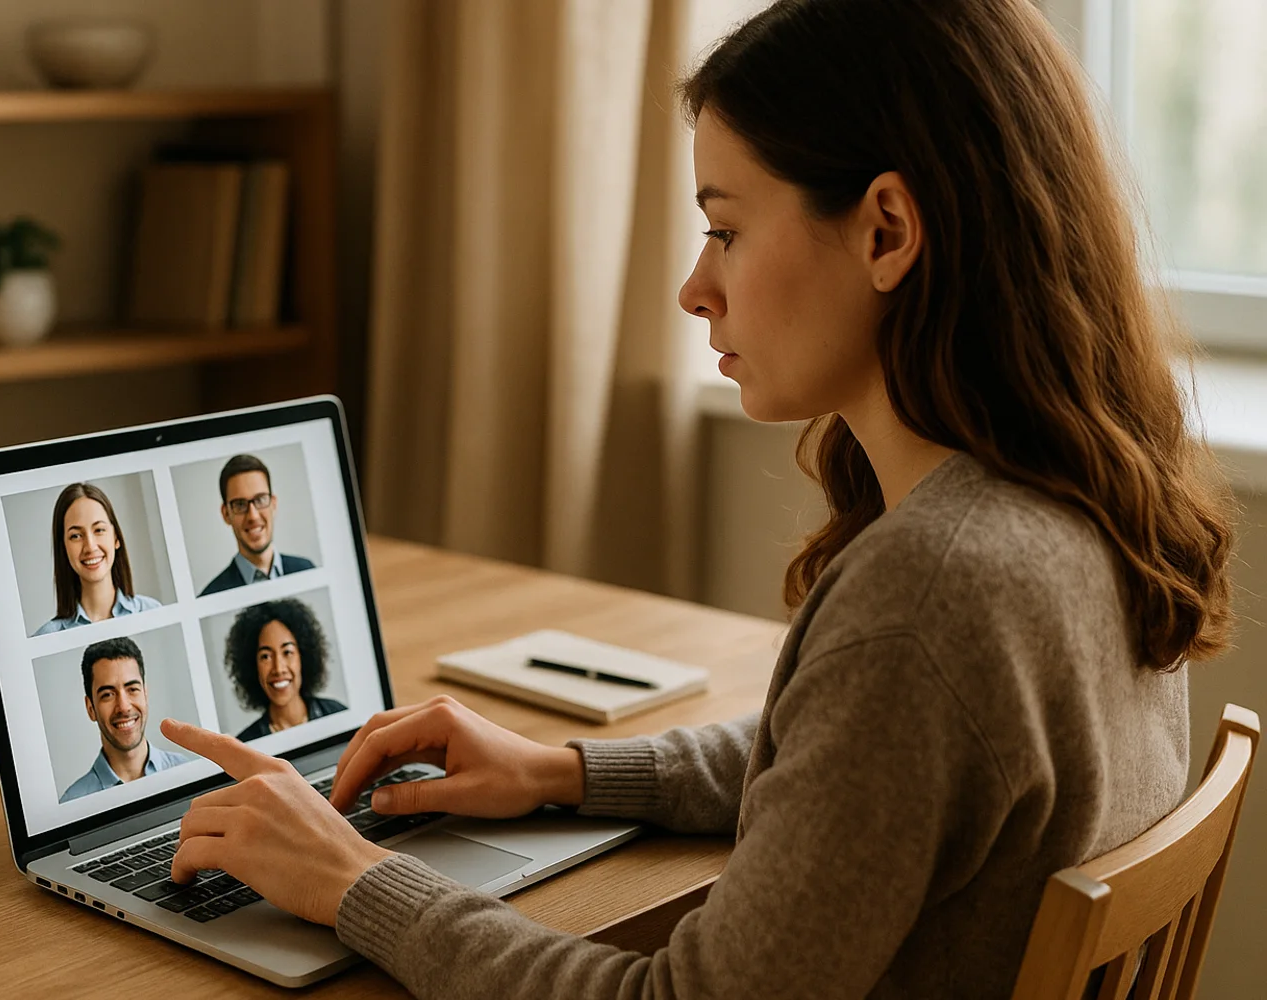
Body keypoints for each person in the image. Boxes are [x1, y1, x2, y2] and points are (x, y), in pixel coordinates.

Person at [151, 1, 1238, 997]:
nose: (692, 286)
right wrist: (563, 770)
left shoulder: (931, 598)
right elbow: (851, 774)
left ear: (886, 231)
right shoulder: (1072, 506)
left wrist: (353, 879)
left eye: (724, 227)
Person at [59, 637, 188, 803]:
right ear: (90, 708)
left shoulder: (185, 770)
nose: (124, 707)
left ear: (145, 695)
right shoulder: (72, 803)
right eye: (108, 695)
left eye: (132, 689)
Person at [32, 483, 163, 637]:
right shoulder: (47, 637)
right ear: (64, 548)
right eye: (76, 536)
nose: (90, 546)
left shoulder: (153, 613)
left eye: (99, 530)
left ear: (116, 538)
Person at [222, 598, 348, 741]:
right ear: (252, 666)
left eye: (287, 652)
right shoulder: (246, 746)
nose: (278, 668)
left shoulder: (338, 715)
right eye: (266, 656)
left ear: (303, 657)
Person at [198, 454, 316, 596]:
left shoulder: (308, 572)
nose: (253, 516)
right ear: (226, 514)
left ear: (273, 504)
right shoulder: (211, 598)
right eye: (240, 504)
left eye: (260, 500)